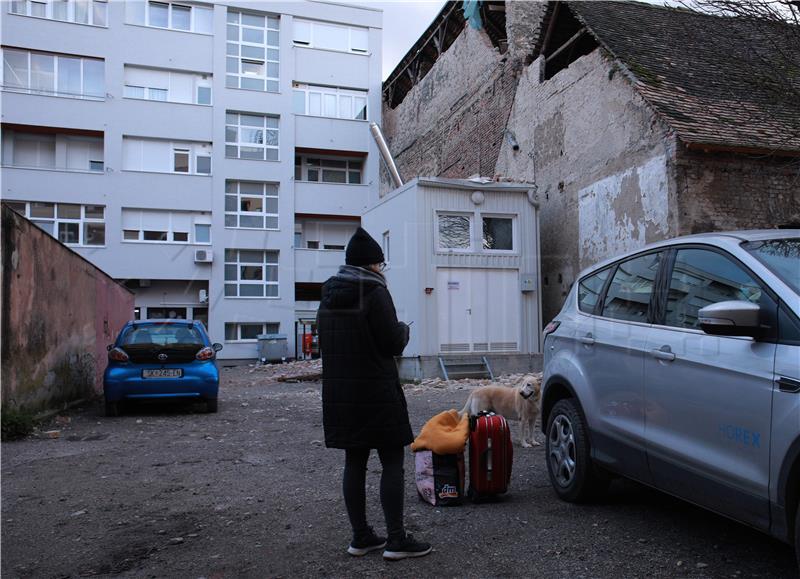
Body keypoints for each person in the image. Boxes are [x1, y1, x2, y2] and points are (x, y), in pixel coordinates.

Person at [317, 227, 432, 561]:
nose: (382, 270)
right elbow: (392, 342)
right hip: (376, 392)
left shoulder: (328, 293)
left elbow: (330, 343)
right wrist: (405, 329)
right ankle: (396, 540)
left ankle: (361, 536)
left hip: (342, 393)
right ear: (372, 265)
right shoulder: (374, 291)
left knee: (355, 461)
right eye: (380, 264)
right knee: (392, 461)